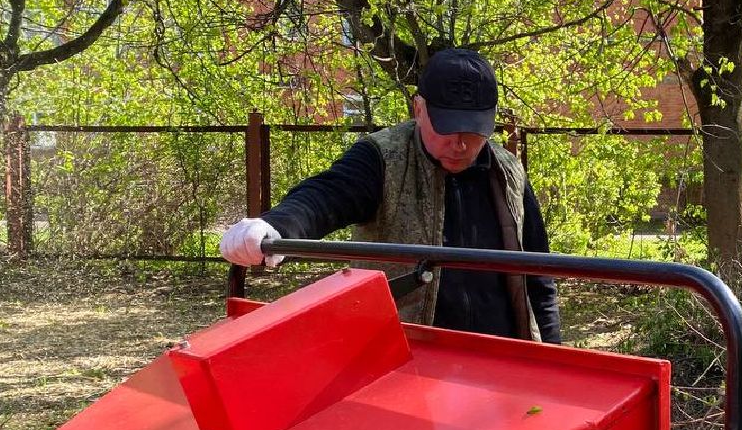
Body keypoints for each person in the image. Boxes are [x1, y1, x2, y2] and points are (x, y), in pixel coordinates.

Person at [220, 47, 561, 343]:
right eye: (447, 127)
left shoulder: (508, 171)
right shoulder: (382, 158)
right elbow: (325, 195)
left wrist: (552, 352)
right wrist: (275, 226)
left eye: (473, 131)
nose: (459, 144)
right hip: (407, 353)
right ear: (419, 109)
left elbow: (538, 273)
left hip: (499, 354)